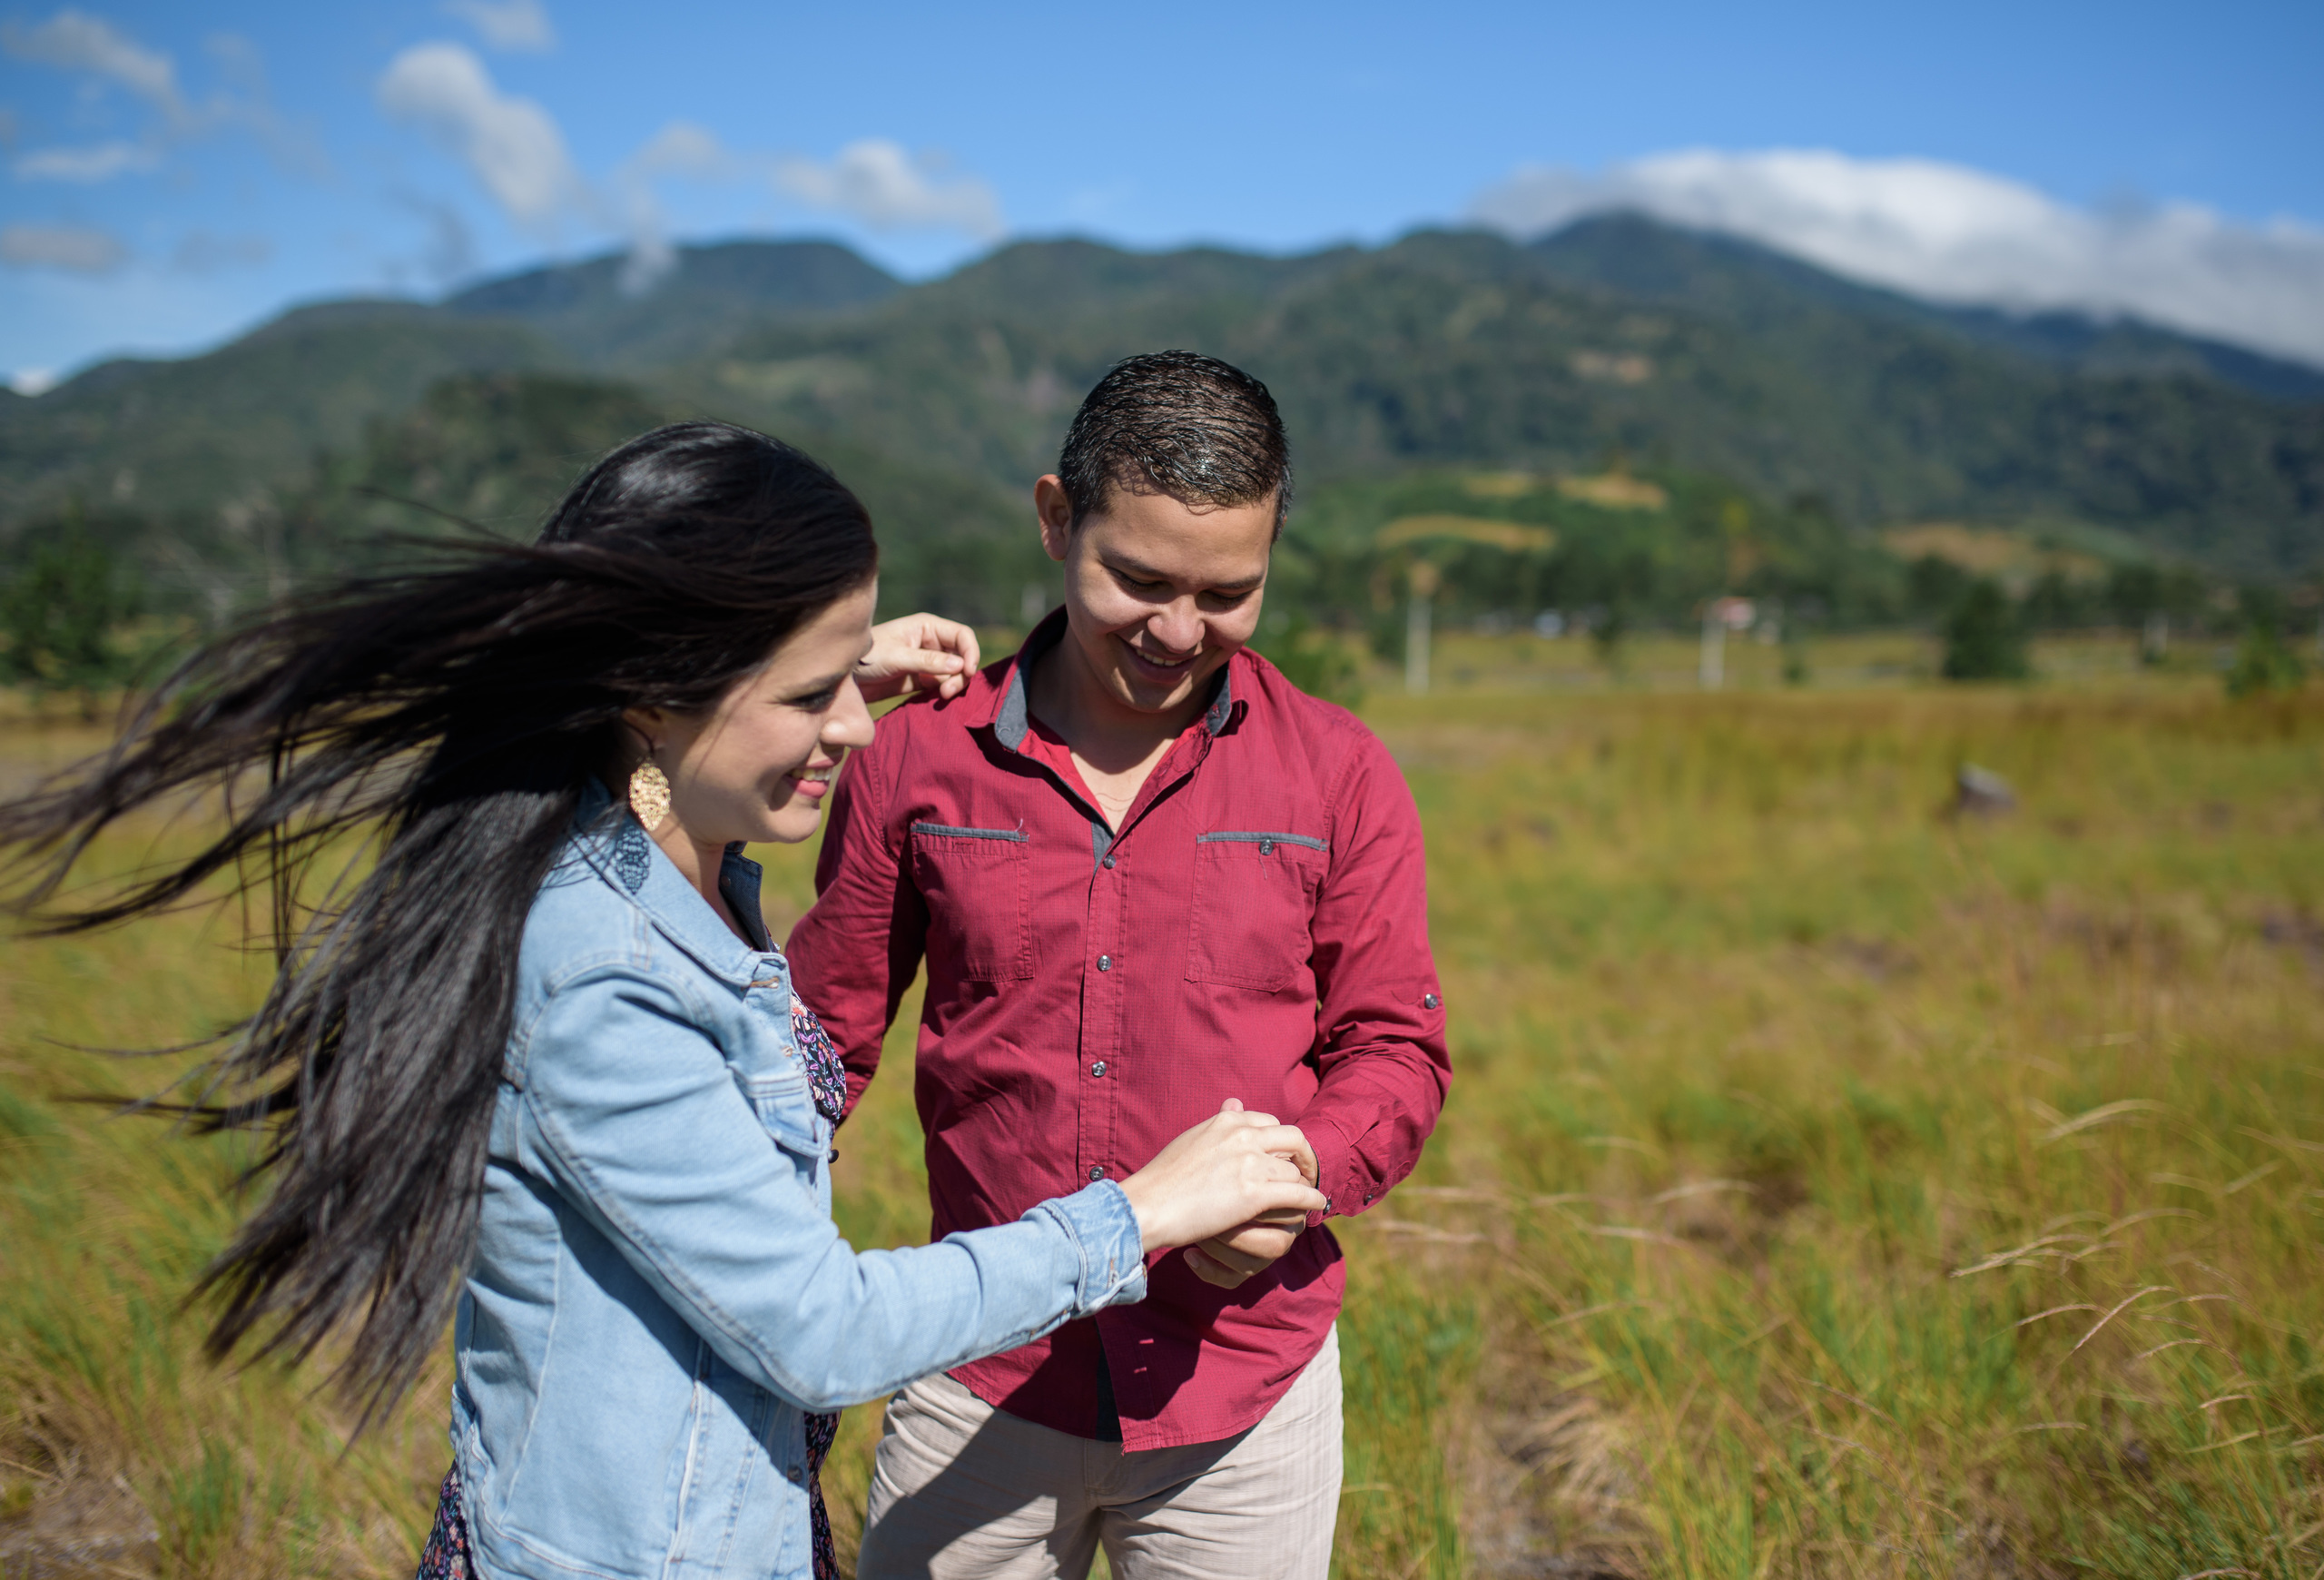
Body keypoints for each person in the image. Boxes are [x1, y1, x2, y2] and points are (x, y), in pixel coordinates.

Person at [0, 421, 1329, 1580]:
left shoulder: (672, 875)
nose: (861, 729)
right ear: (652, 697)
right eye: (811, 694)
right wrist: (1144, 1212)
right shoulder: (601, 973)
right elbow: (822, 1330)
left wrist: (810, 690)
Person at [788, 352, 1451, 1579]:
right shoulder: (913, 761)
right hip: (979, 1374)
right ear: (1057, 519)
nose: (1179, 632)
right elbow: (813, 1053)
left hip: (1244, 1390)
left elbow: (1394, 1048)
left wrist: (1300, 1173)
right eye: (1138, 579)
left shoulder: (1339, 774)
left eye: (1227, 593)